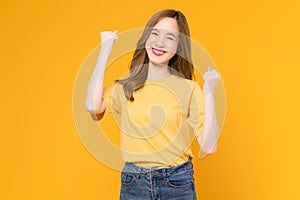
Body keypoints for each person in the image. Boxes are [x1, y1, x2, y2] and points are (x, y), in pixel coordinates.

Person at [85, 9, 221, 200]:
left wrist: (209, 95)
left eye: (170, 38)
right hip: (134, 183)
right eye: (154, 34)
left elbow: (209, 146)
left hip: (177, 183)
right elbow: (92, 106)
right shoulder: (127, 86)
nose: (159, 43)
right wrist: (105, 51)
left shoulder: (189, 89)